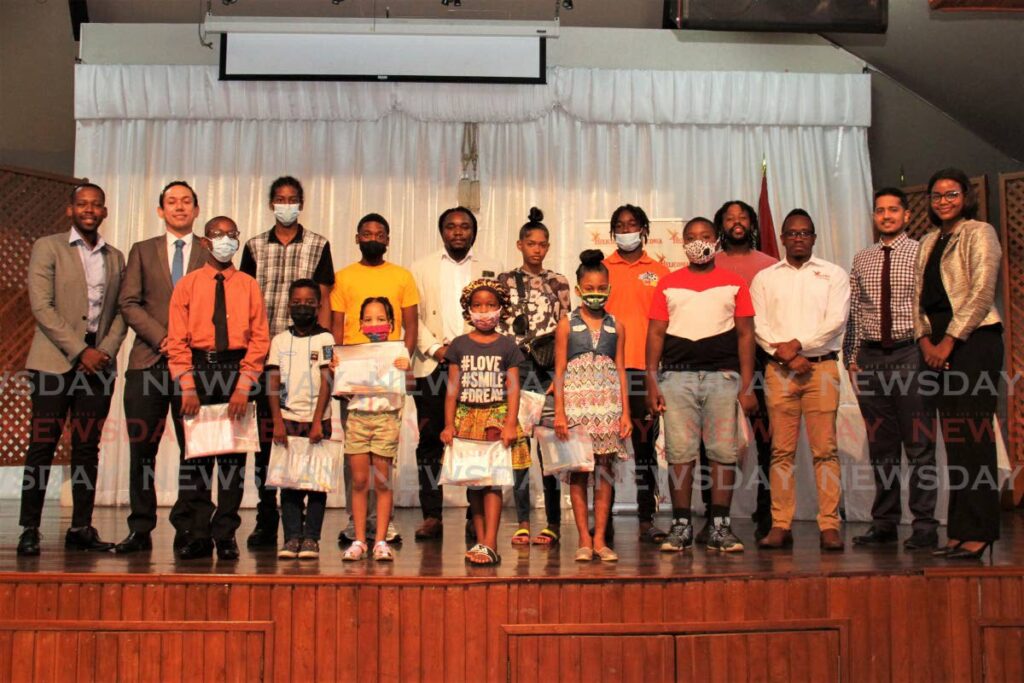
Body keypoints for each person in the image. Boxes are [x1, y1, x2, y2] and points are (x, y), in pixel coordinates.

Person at [17, 183, 128, 556]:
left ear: (105, 212)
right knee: (42, 447)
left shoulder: (116, 257)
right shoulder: (47, 247)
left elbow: (120, 314)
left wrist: (104, 352)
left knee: (86, 450)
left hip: (99, 367)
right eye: (82, 204)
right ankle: (29, 527)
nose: (89, 209)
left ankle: (81, 526)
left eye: (96, 204)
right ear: (70, 210)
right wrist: (82, 351)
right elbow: (42, 307)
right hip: (53, 365)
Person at [646, 218, 757, 554]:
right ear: (683, 243)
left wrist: (747, 385)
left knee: (723, 453)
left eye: (705, 236)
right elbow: (655, 333)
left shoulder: (734, 283)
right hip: (676, 378)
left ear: (716, 239)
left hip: (723, 378)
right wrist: (652, 382)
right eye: (691, 238)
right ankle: (681, 525)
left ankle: (720, 526)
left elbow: (746, 335)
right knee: (680, 453)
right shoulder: (667, 284)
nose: (698, 242)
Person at [239, 176, 335, 550]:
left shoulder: (318, 244)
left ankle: (308, 532)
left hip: (309, 350)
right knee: (269, 443)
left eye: (292, 199)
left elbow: (324, 296)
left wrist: (326, 342)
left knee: (310, 444)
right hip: (267, 352)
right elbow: (245, 297)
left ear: (302, 203)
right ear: (270, 204)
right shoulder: (253, 246)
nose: (286, 204)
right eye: (279, 199)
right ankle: (268, 519)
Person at [168, 216, 270, 560]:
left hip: (235, 370)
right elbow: (176, 339)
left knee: (232, 460)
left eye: (231, 235)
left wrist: (243, 386)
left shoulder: (249, 285)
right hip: (197, 370)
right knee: (195, 458)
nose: (225, 240)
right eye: (217, 235)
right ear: (204, 242)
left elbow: (259, 339)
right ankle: (197, 533)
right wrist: (187, 385)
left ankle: (225, 533)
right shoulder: (187, 285)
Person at [115, 180, 208, 554]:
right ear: (160, 211)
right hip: (147, 362)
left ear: (197, 210)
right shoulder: (142, 251)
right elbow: (129, 302)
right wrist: (164, 339)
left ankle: (188, 526)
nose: (179, 207)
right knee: (143, 450)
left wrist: (184, 344)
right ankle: (140, 528)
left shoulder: (208, 251)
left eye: (186, 201)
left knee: (194, 450)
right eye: (172, 202)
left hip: (195, 368)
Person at [915, 168, 1003, 561]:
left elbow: (982, 290)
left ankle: (981, 532)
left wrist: (950, 341)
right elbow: (916, 299)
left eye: (951, 194)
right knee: (953, 441)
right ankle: (959, 531)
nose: (943, 201)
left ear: (966, 196)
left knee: (974, 438)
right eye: (936, 196)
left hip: (974, 341)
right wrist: (925, 341)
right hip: (933, 344)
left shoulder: (979, 231)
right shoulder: (928, 240)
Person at [750, 209, 850, 551]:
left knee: (825, 451)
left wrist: (800, 346)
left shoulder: (833, 274)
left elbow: (836, 321)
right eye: (792, 233)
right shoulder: (765, 278)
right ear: (782, 237)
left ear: (814, 237)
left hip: (820, 369)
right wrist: (787, 356)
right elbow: (759, 326)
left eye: (804, 233)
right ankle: (781, 523)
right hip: (780, 371)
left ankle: (829, 525)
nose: (798, 238)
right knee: (781, 452)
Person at [846, 188, 939, 550]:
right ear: (874, 216)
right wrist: (851, 357)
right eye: (880, 211)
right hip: (871, 359)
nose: (886, 216)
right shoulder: (862, 258)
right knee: (881, 447)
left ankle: (925, 525)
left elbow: (932, 304)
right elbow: (855, 311)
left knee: (919, 445)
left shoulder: (921, 252)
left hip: (910, 354)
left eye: (893, 210)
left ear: (906, 215)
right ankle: (884, 523)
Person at [410, 207, 502, 540]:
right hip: (434, 363)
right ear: (441, 231)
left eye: (465, 226)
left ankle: (472, 513)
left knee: (474, 439)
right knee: (431, 440)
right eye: (451, 227)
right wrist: (436, 348)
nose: (458, 232)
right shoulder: (420, 268)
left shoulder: (491, 268)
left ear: (474, 231)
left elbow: (496, 312)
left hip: (478, 364)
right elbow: (412, 318)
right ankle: (432, 514)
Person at [330, 213, 418, 546]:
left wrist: (404, 363)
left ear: (388, 240)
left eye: (380, 234)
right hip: (353, 383)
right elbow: (337, 329)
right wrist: (337, 368)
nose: (373, 238)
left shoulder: (402, 277)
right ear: (356, 238)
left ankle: (384, 525)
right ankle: (356, 524)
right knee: (355, 459)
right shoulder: (343, 277)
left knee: (383, 457)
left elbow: (411, 326)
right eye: (367, 233)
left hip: (388, 381)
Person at [498, 207, 571, 548]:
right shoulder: (504, 281)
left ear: (548, 247)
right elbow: (498, 327)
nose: (536, 250)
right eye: (531, 243)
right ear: (520, 245)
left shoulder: (559, 282)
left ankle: (553, 521)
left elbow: (565, 329)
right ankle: (523, 520)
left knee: (550, 449)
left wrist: (561, 373)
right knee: (519, 449)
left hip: (547, 367)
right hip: (516, 367)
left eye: (542, 244)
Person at [440, 279, 525, 565]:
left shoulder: (508, 345)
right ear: (468, 310)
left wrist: (511, 422)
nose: (484, 311)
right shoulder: (459, 345)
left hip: (496, 416)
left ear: (501, 308)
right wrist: (449, 424)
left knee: (493, 481)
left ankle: (491, 542)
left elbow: (513, 388)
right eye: (478, 306)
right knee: (474, 482)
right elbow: (452, 389)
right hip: (466, 417)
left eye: (490, 305)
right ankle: (480, 541)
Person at [554, 250, 632, 562]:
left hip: (608, 408)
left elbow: (622, 369)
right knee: (579, 473)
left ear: (609, 288)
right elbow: (559, 371)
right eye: (590, 288)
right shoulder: (566, 324)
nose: (596, 294)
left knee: (604, 472)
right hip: (576, 408)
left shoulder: (617, 325)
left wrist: (625, 412)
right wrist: (559, 411)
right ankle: (583, 540)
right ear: (578, 289)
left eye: (602, 288)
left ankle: (600, 539)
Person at [708, 199, 778, 542]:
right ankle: (715, 518)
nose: (737, 222)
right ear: (720, 225)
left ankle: (767, 514)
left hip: (763, 360)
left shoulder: (771, 266)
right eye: (729, 218)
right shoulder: (709, 263)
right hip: (719, 360)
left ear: (752, 224)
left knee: (767, 442)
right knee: (715, 444)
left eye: (743, 217)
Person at [603, 204, 670, 544]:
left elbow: (665, 325)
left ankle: (647, 519)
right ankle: (603, 523)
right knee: (605, 451)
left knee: (645, 451)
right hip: (605, 374)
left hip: (644, 372)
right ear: (611, 230)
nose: (626, 229)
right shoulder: (601, 269)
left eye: (632, 224)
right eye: (619, 225)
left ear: (644, 228)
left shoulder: (660, 271)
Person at [268, 279, 336, 561]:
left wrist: (319, 420)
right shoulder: (279, 340)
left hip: (318, 421)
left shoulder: (327, 340)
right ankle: (292, 536)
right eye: (297, 302)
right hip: (288, 420)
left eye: (309, 302)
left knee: (315, 484)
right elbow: (272, 380)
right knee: (290, 484)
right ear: (288, 304)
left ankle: (311, 538)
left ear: (319, 306)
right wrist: (277, 421)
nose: (303, 307)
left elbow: (328, 378)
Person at [339, 298, 409, 561]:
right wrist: (337, 370)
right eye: (368, 319)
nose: (374, 324)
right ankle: (359, 539)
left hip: (385, 418)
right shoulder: (350, 353)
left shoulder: (399, 352)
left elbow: (407, 385)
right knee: (358, 481)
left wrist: (407, 367)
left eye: (380, 319)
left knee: (381, 480)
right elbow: (343, 390)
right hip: (357, 417)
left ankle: (380, 540)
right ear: (360, 324)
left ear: (390, 324)